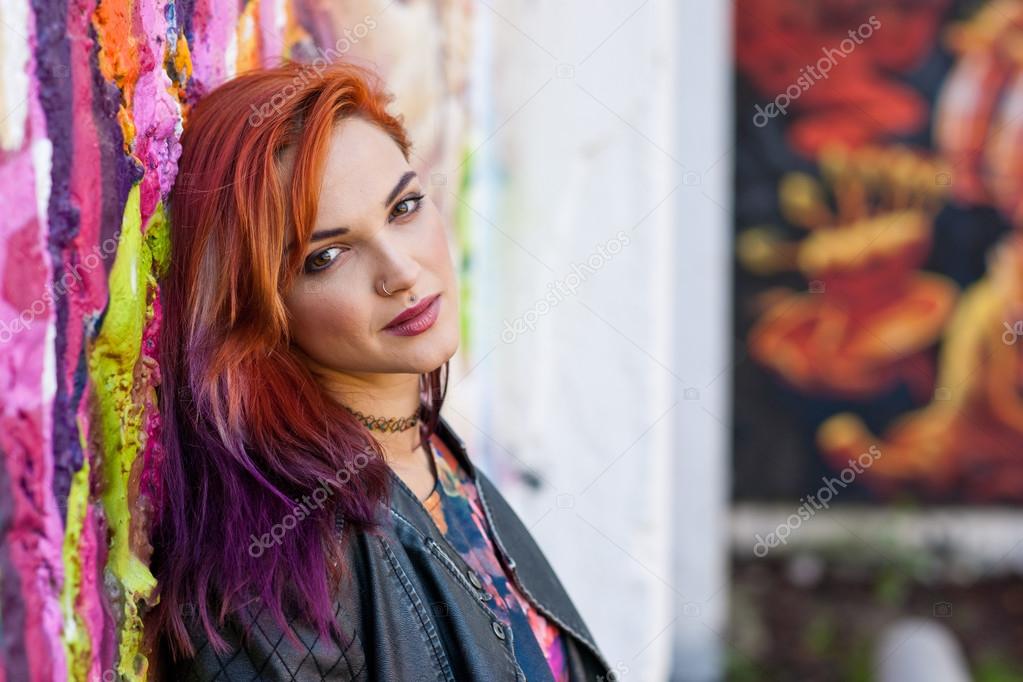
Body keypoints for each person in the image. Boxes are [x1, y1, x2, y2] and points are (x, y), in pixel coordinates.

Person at [144, 59, 614, 681]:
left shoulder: (428, 452)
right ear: (260, 306)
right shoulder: (287, 566)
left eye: (405, 207)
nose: (401, 271)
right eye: (327, 255)